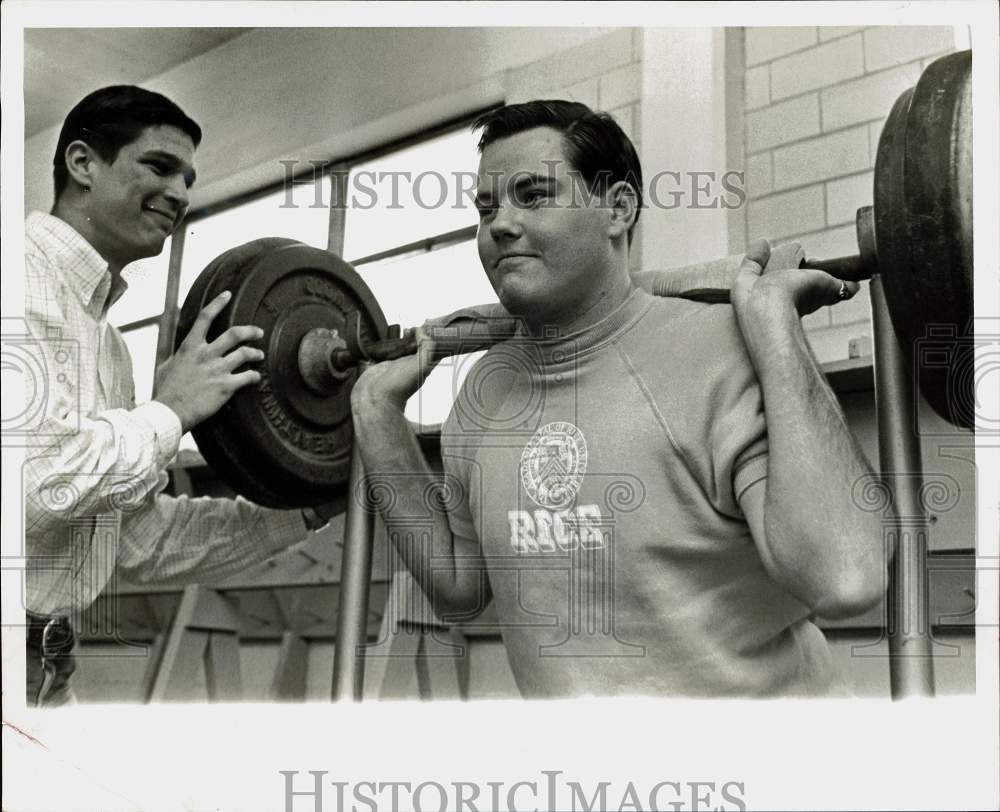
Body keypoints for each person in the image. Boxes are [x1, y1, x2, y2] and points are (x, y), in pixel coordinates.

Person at [351, 100, 888, 698]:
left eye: (532, 195)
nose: (498, 225)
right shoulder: (483, 391)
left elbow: (847, 578)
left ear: (618, 209)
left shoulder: (718, 350)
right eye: (486, 208)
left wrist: (775, 326)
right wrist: (377, 419)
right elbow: (458, 589)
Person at [23, 86, 335, 707]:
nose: (182, 194)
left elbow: (137, 539)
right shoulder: (19, 277)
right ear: (83, 164)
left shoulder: (107, 342)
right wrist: (169, 411)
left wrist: (308, 502)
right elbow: (39, 483)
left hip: (48, 661)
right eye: (159, 167)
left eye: (189, 178)